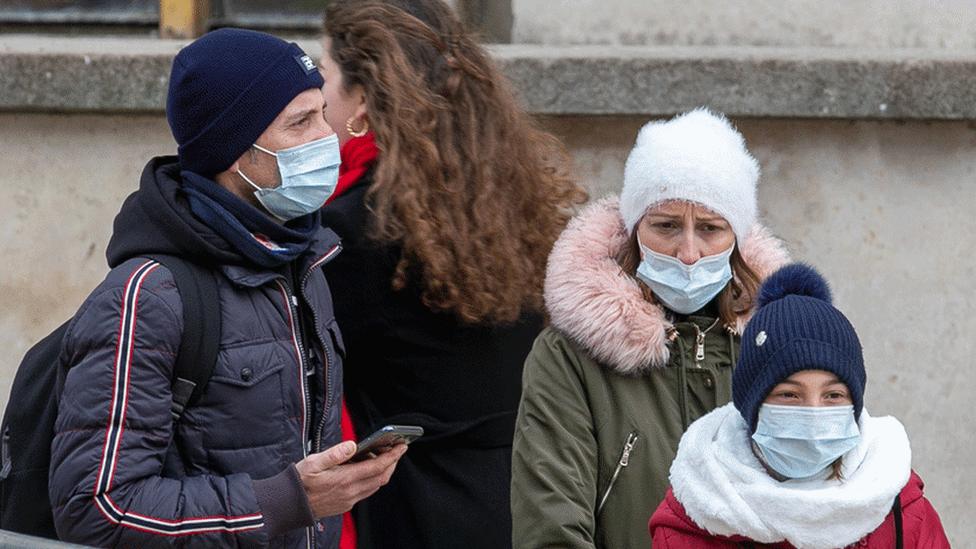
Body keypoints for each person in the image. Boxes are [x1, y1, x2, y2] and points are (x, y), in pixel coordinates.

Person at [48, 28, 405, 548]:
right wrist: (286, 500)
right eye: (299, 123)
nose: (326, 138)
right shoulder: (148, 295)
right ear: (236, 153)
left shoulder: (301, 260)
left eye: (321, 114)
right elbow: (96, 507)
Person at [316, 1, 586, 547]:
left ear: (362, 98)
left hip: (408, 511)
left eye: (321, 74)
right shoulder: (511, 204)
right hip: (522, 500)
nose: (312, 95)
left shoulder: (348, 230)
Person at [511, 108, 791, 548]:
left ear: (736, 237)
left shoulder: (780, 349)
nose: (688, 252)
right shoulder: (570, 356)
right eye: (666, 226)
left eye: (710, 228)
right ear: (634, 230)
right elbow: (552, 527)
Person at [649, 263, 951, 548]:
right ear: (751, 406)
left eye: (833, 395)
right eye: (789, 395)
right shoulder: (694, 521)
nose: (813, 413)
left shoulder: (899, 509)